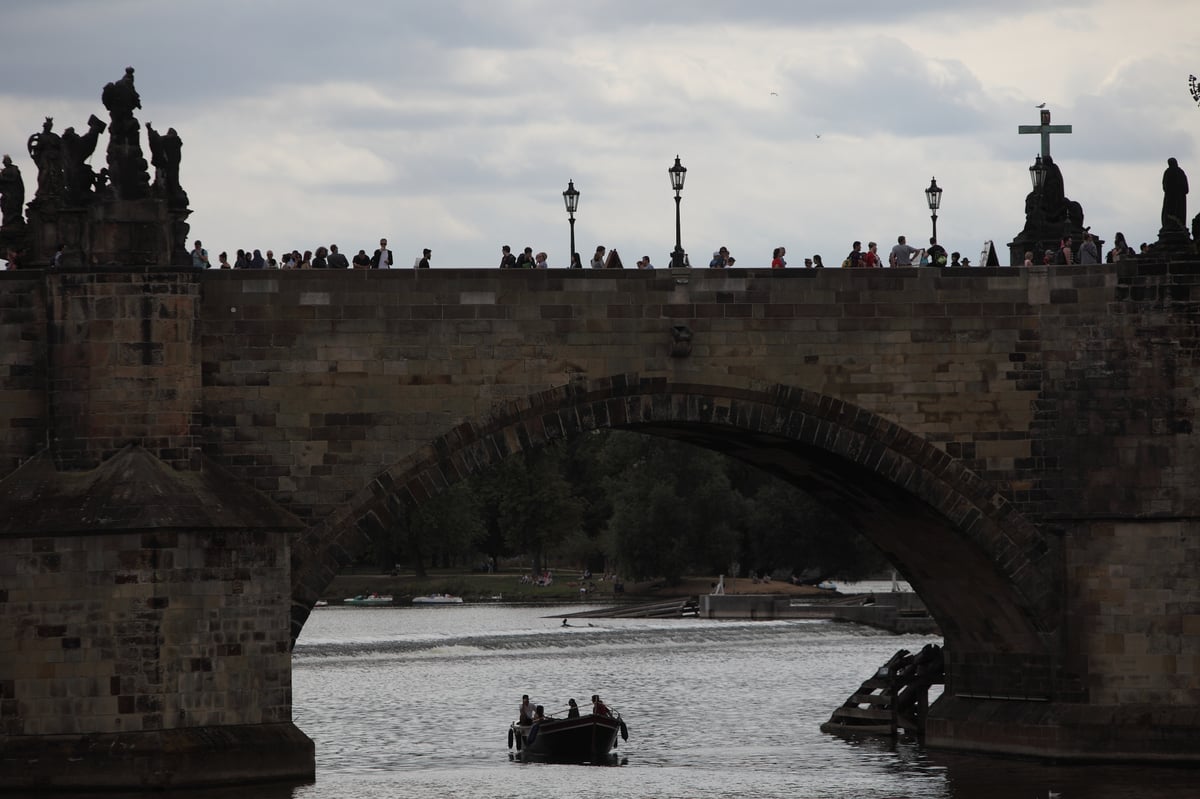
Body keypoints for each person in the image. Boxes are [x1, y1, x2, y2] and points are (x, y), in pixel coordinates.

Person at [1162, 157, 1189, 231]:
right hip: (1178, 199)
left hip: (1171, 198)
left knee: (1171, 212)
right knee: (1178, 213)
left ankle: (1172, 225)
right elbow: (1186, 189)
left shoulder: (1168, 172)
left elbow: (1165, 186)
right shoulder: (1181, 172)